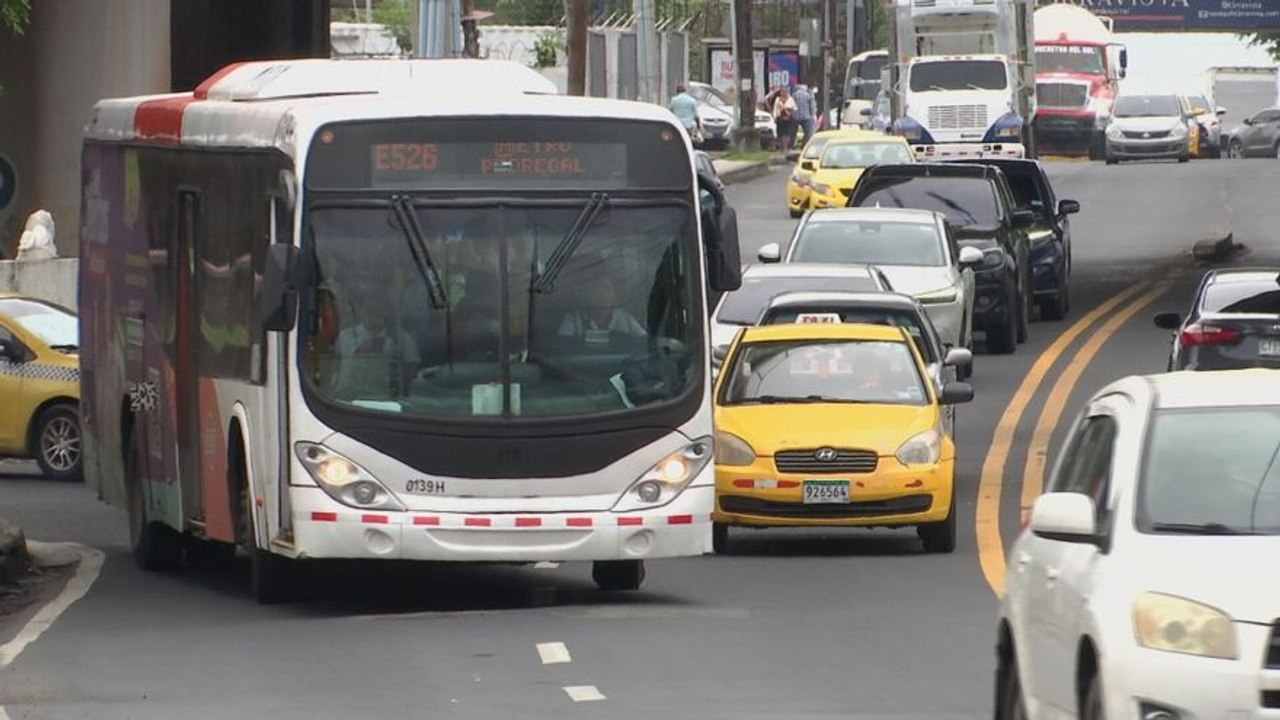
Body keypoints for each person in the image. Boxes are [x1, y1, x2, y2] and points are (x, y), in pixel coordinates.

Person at [558, 281, 646, 343]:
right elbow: (563, 346)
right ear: (588, 296)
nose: (601, 292)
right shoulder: (573, 319)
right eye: (597, 288)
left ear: (614, 296)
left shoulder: (627, 320)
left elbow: (644, 342)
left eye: (606, 288)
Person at [772, 87, 798, 154]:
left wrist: (789, 109)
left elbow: (795, 108)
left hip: (788, 118)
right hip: (780, 117)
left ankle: (786, 147)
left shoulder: (790, 99)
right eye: (782, 92)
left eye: (784, 91)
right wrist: (774, 117)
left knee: (787, 133)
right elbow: (775, 109)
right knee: (780, 133)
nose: (783, 93)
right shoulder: (778, 99)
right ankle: (782, 147)